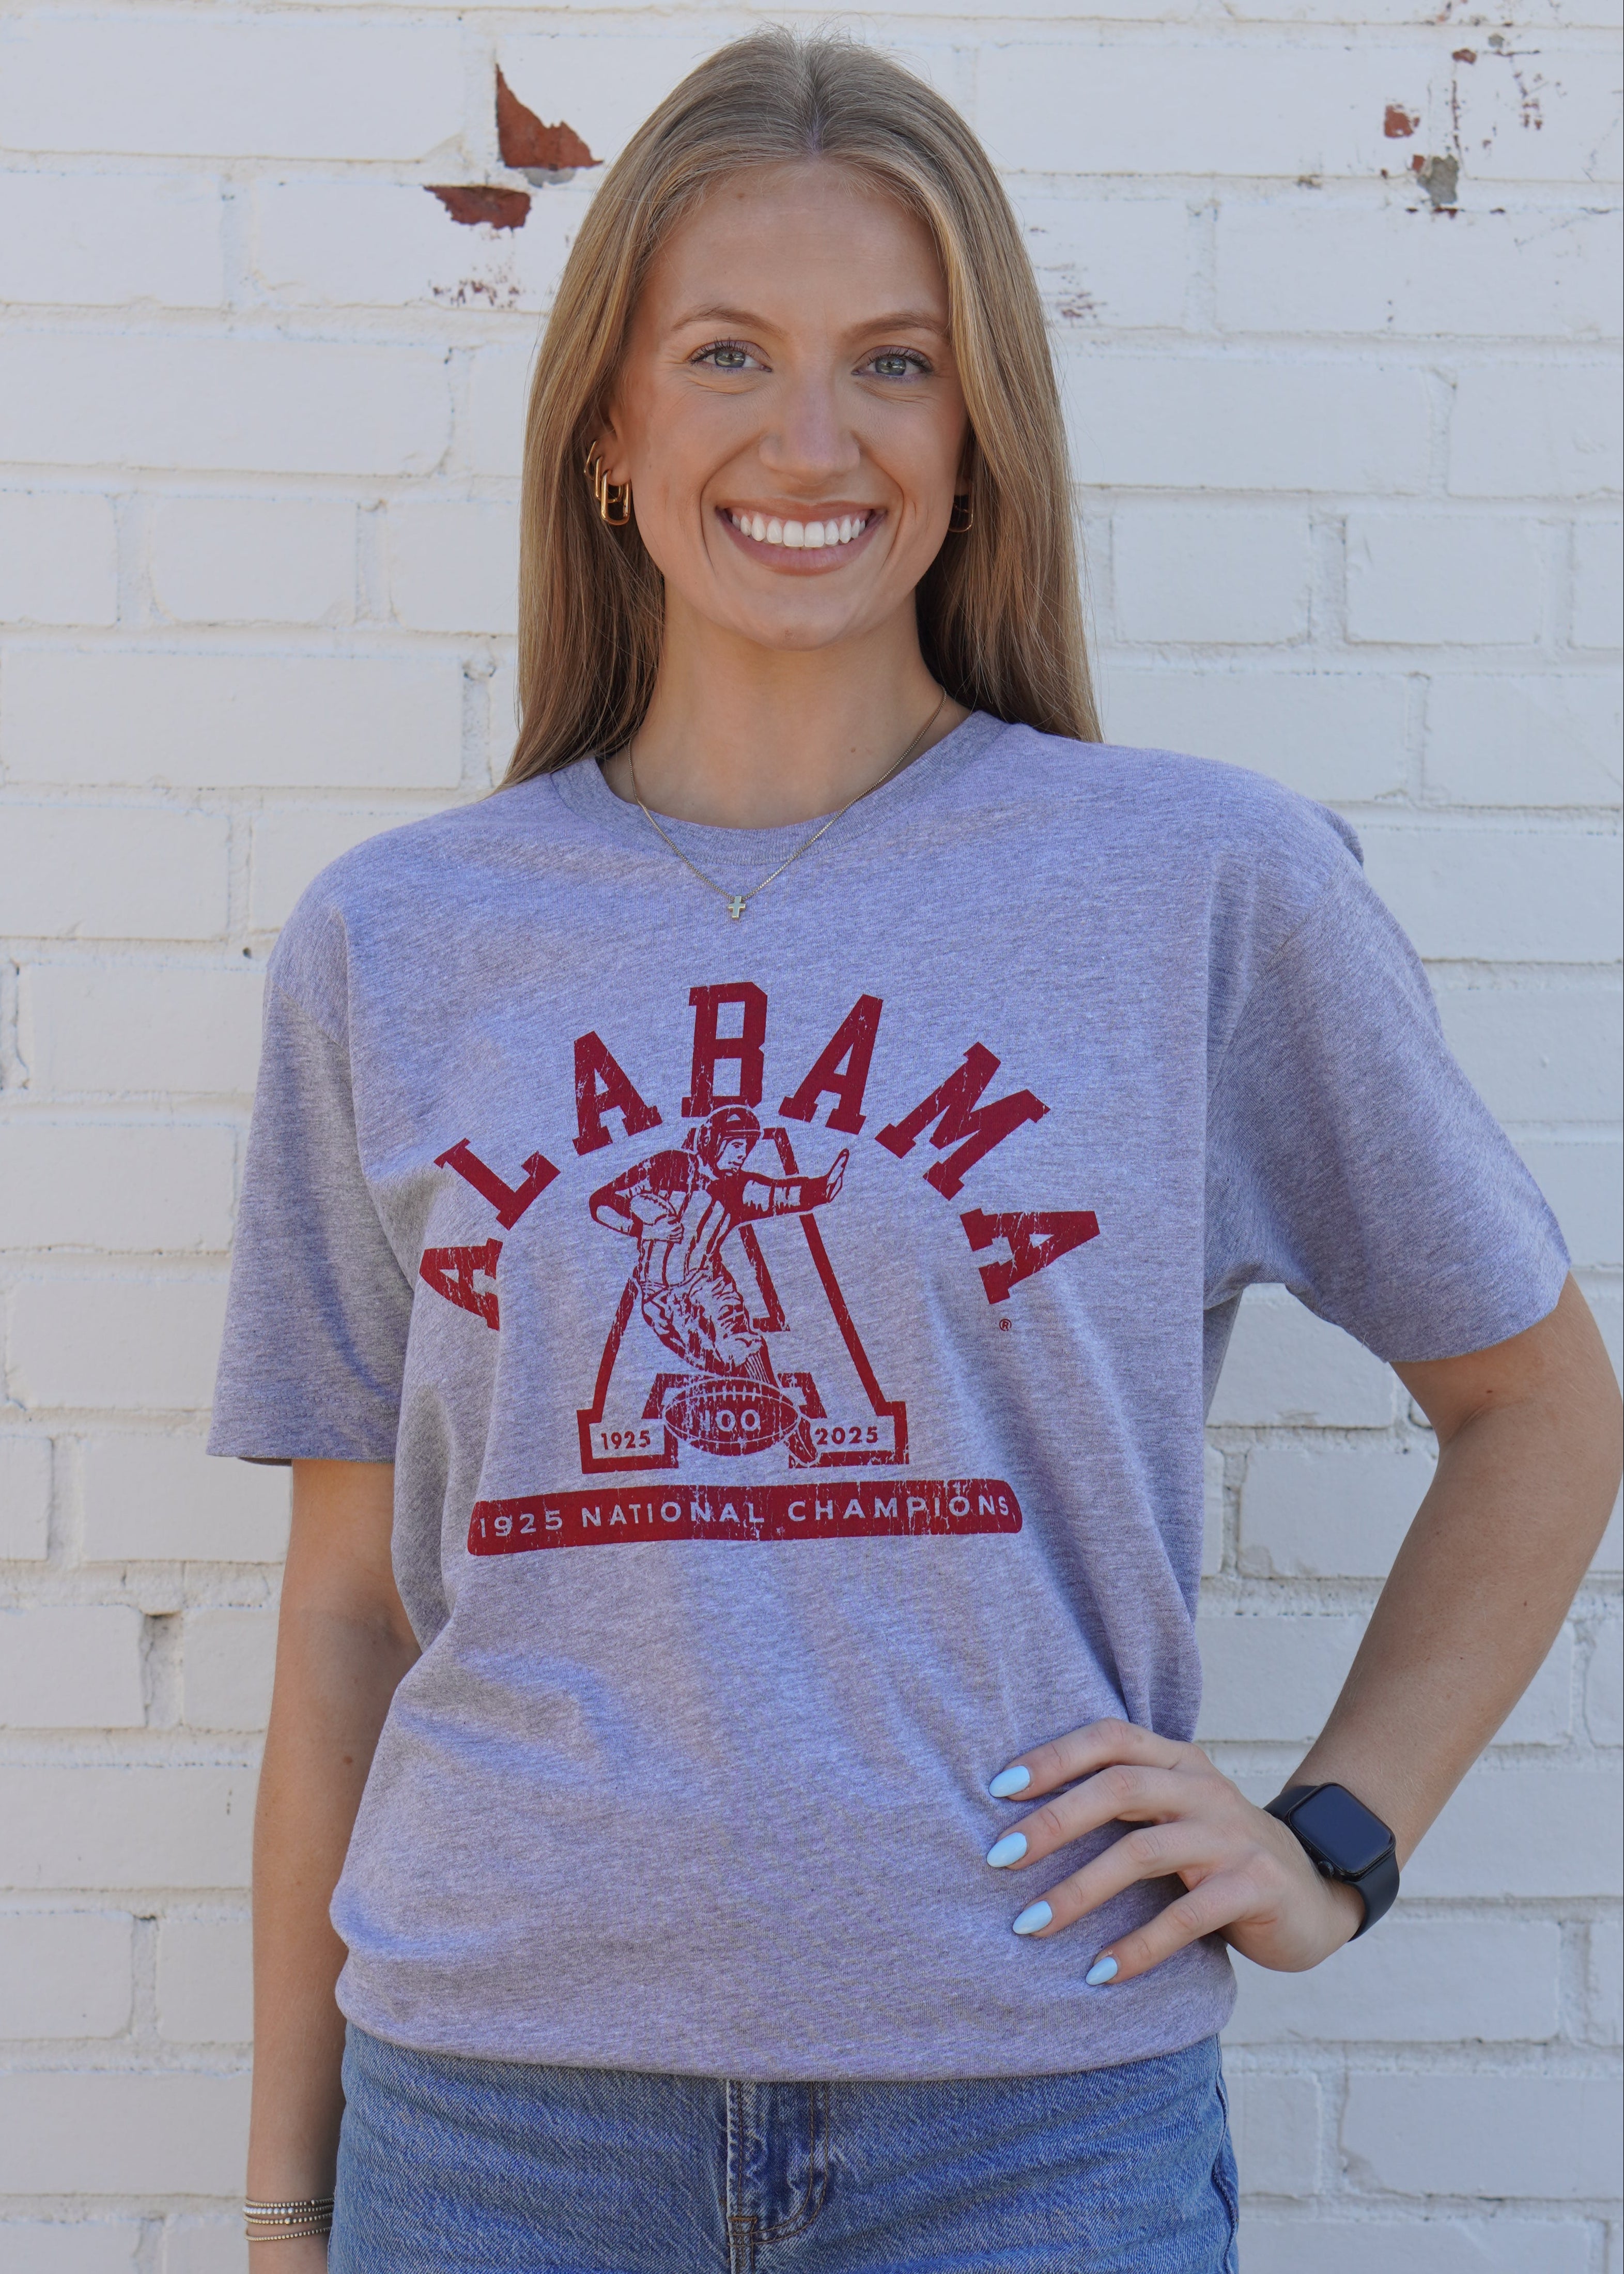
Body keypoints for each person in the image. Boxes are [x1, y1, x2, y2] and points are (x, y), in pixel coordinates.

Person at [211, 29, 1622, 2273]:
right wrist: (290, 2200)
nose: (811, 436)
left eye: (895, 361)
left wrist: (1332, 1833)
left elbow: (1536, 1400)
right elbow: (345, 1619)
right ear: (608, 423)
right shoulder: (403, 938)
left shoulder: (1199, 887)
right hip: (496, 2131)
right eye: (728, 355)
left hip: (1034, 2124)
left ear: (980, 436)